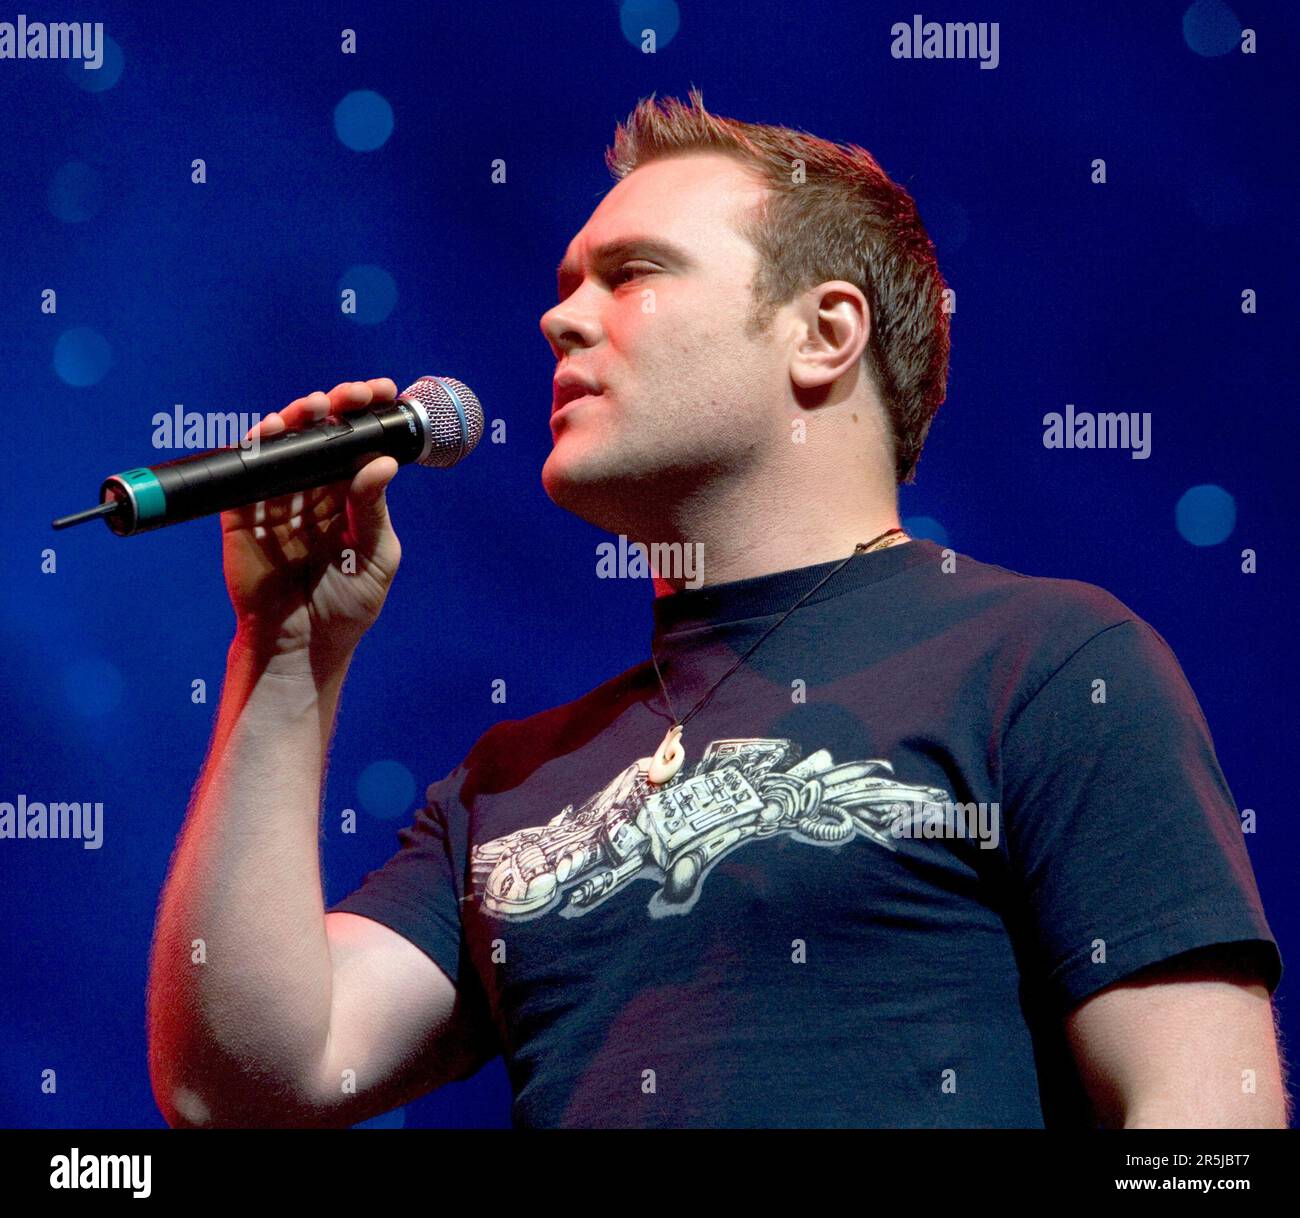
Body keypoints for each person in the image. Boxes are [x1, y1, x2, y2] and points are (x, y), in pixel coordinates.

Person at [146, 89, 1285, 1129]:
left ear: (823, 333)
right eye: (563, 287)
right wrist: (285, 657)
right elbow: (240, 1084)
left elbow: (1204, 1113)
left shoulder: (1044, 660)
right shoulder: (509, 782)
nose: (560, 322)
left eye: (630, 274)